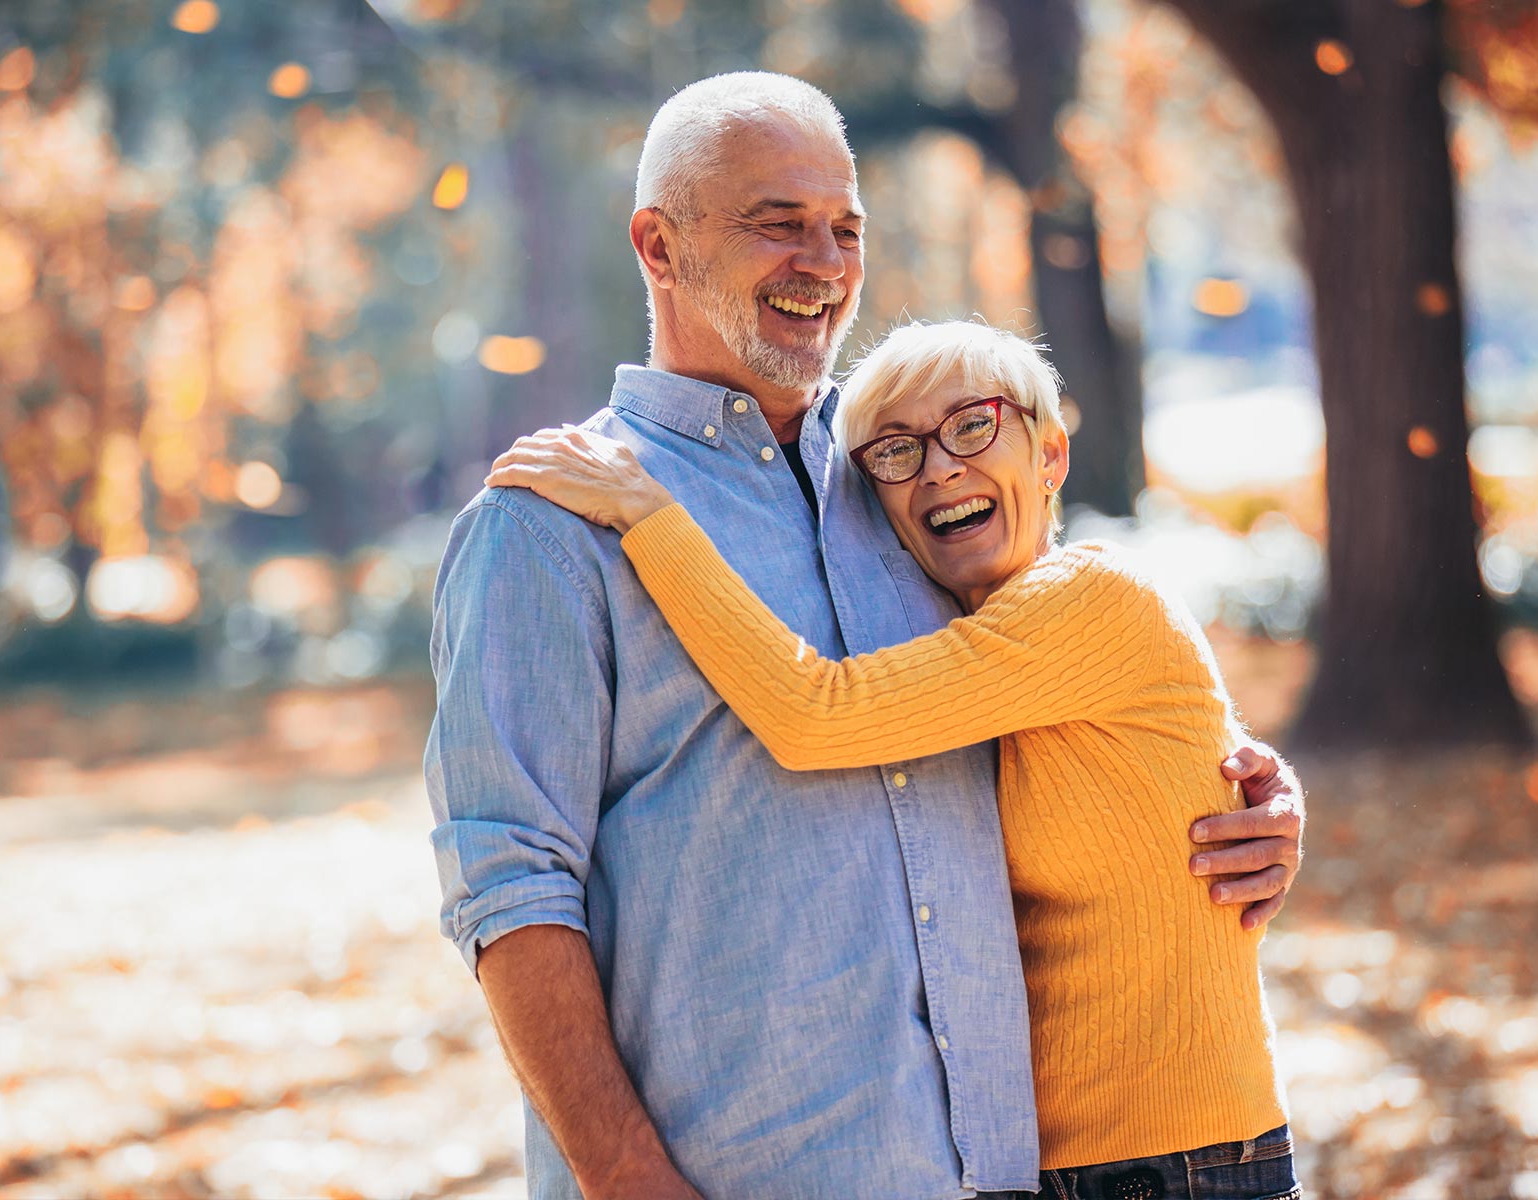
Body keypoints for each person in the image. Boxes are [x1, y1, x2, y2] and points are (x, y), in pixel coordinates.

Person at [427, 71, 1304, 1200]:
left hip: (1008, 1174)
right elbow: (511, 893)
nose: (824, 263)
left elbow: (1074, 704)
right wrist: (629, 1182)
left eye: (844, 228)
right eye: (776, 224)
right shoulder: (546, 525)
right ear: (658, 244)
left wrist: (1242, 801)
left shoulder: (916, 481)